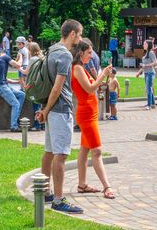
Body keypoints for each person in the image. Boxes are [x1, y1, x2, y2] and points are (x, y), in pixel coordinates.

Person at [35, 19, 84, 214]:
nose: (80, 38)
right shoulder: (64, 55)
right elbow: (57, 86)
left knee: (49, 151)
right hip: (60, 109)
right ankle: (58, 199)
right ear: (72, 34)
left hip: (51, 108)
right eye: (79, 34)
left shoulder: (52, 49)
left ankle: (45, 192)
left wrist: (45, 108)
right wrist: (46, 110)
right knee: (61, 154)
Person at [70, 40, 115, 199]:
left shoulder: (83, 68)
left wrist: (106, 77)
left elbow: (95, 86)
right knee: (97, 150)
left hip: (91, 114)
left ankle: (82, 185)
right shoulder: (77, 68)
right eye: (89, 52)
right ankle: (107, 186)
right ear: (81, 52)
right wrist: (102, 74)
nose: (91, 55)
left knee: (84, 150)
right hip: (86, 116)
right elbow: (89, 89)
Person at [0, 48, 24, 132]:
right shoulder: (4, 57)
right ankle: (14, 126)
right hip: (2, 87)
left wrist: (18, 81)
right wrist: (21, 57)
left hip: (2, 86)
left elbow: (5, 79)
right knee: (16, 104)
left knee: (21, 95)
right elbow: (17, 65)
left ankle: (16, 117)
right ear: (4, 53)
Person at [20, 42, 45, 131]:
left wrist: (19, 67)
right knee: (41, 104)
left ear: (31, 50)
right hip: (42, 84)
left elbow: (26, 72)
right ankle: (42, 124)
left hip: (34, 85)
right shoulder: (41, 57)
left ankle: (37, 125)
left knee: (35, 104)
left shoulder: (33, 59)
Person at [136, 40, 157, 110]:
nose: (143, 45)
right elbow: (143, 66)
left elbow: (155, 63)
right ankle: (153, 103)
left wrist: (146, 65)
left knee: (148, 89)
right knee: (149, 88)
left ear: (149, 45)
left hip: (150, 73)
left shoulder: (151, 53)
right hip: (146, 73)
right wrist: (139, 72)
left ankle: (149, 105)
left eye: (145, 44)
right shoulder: (146, 53)